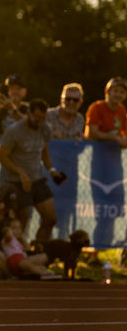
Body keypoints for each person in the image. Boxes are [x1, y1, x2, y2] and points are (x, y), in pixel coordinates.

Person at [0, 98, 63, 243]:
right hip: (17, 181)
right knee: (21, 221)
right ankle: (17, 253)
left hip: (37, 179)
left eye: (42, 119)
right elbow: (2, 157)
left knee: (50, 218)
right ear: (28, 114)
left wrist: (52, 170)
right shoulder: (14, 131)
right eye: (36, 118)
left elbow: (44, 153)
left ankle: (39, 248)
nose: (39, 122)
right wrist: (21, 173)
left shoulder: (44, 128)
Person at [84, 77, 127, 256]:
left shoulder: (122, 111)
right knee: (101, 210)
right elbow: (91, 133)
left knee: (115, 209)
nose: (118, 94)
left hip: (116, 167)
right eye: (115, 91)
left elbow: (123, 137)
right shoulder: (97, 107)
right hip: (99, 167)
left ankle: (107, 248)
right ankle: (97, 250)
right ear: (107, 92)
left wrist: (119, 139)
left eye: (122, 92)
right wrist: (113, 138)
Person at [46, 83, 85, 238]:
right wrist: (51, 136)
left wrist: (81, 143)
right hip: (51, 168)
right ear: (61, 99)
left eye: (75, 100)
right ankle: (46, 244)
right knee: (49, 207)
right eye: (67, 99)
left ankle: (63, 241)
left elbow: (81, 147)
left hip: (70, 170)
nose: (71, 103)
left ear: (80, 102)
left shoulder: (80, 120)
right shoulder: (49, 115)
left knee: (67, 207)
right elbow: (38, 138)